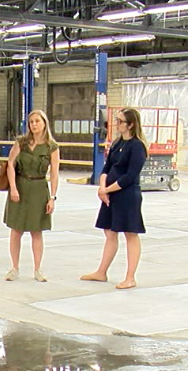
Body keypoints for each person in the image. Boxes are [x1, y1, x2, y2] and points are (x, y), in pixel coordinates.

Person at [80, 108, 148, 290]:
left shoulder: (137, 146)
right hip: (110, 194)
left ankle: (130, 277)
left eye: (120, 121)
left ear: (131, 124)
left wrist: (108, 189)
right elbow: (107, 167)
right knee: (109, 232)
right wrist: (102, 187)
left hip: (127, 195)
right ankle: (101, 272)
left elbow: (130, 175)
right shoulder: (117, 143)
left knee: (130, 234)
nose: (117, 124)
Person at [3, 110, 61, 282]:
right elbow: (10, 164)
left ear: (44, 123)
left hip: (39, 188)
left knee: (37, 230)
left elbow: (55, 174)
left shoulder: (52, 147)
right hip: (20, 186)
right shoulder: (21, 142)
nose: (34, 125)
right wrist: (13, 188)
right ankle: (14, 268)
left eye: (37, 121)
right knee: (16, 230)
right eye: (31, 122)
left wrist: (52, 197)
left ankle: (37, 269)